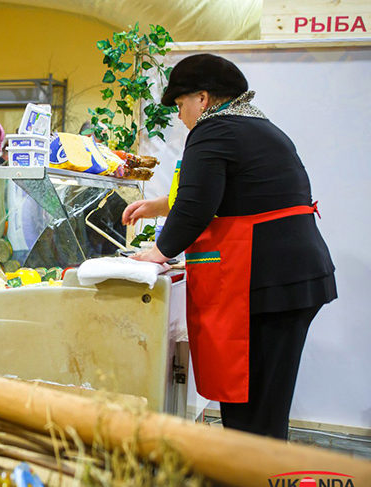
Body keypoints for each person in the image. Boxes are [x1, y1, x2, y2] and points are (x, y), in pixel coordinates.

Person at [127, 54, 337, 439]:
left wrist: (158, 253)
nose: (180, 117)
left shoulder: (214, 130)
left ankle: (249, 472)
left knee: (252, 413)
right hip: (292, 278)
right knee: (265, 404)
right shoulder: (256, 126)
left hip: (269, 283)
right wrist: (159, 206)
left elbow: (197, 206)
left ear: (202, 99)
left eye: (180, 105)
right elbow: (232, 191)